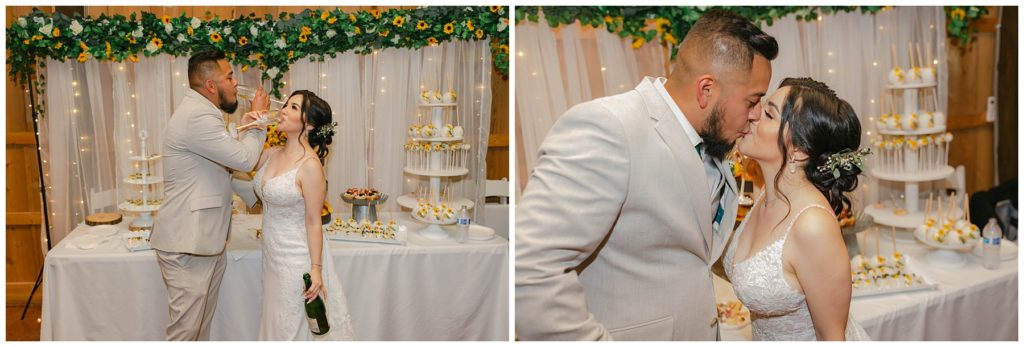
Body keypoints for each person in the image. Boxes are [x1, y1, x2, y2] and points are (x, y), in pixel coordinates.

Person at [515, 9, 777, 340]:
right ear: (706, 89)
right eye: (752, 101)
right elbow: (528, 270)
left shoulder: (712, 139)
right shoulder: (609, 128)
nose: (756, 115)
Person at [724, 77, 871, 340]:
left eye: (769, 114)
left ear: (799, 151)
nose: (753, 114)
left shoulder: (812, 225)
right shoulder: (763, 193)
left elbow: (832, 338)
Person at [150, 49, 268, 340]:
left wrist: (263, 195)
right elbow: (242, 159)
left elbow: (223, 170)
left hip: (206, 242)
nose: (236, 83)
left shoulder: (207, 114)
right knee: (185, 333)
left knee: (199, 330)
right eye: (229, 77)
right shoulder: (198, 117)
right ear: (211, 86)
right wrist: (259, 122)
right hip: (187, 243)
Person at [244, 90, 355, 340]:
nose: (282, 110)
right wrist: (248, 123)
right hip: (272, 256)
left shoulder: (310, 166)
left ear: (309, 124)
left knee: (291, 326)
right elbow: (240, 161)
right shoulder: (272, 153)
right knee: (276, 320)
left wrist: (316, 269)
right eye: (286, 104)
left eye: (293, 107)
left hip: (297, 259)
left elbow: (314, 221)